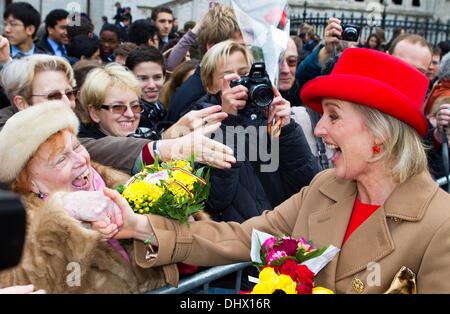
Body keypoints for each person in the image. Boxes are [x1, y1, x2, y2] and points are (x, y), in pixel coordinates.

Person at [111, 48, 450, 293]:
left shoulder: (441, 226)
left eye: (333, 117)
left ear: (381, 134)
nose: (318, 131)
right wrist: (142, 227)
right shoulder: (325, 188)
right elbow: (242, 237)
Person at [0, 101, 169, 293]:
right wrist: (60, 220)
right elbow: (36, 281)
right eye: (61, 159)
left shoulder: (118, 185)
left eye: (78, 146)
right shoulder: (23, 233)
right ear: (29, 183)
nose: (81, 160)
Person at [0, 54, 236, 174]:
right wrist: (168, 147)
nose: (66, 103)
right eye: (53, 96)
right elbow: (97, 149)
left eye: (69, 94)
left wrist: (171, 135)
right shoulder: (7, 141)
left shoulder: (69, 134)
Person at [189, 40, 318, 220]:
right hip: (234, 238)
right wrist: (229, 122)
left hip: (280, 233)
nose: (240, 84)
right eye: (230, 78)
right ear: (210, 85)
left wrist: (287, 129)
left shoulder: (267, 116)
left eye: (244, 74)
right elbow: (215, 200)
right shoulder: (198, 125)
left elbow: (308, 185)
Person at [166, 4, 242, 123]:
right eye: (234, 48)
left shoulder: (204, 86)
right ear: (211, 47)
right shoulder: (196, 99)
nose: (243, 54)